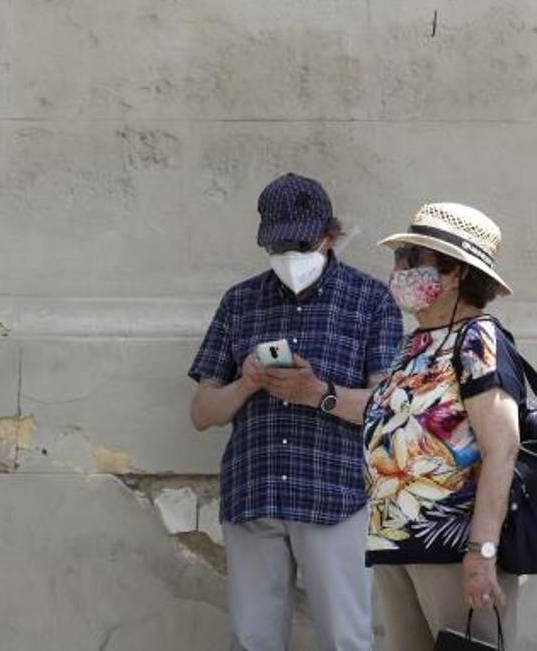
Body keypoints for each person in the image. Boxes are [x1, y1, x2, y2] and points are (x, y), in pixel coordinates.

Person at [188, 173, 403, 650]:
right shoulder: (240, 301)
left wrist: (318, 392)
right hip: (255, 492)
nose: (288, 255)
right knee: (251, 640)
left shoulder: (371, 301)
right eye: (277, 245)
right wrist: (246, 383)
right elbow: (203, 412)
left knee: (346, 639)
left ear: (330, 235)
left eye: (299, 243)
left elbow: (389, 410)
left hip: (336, 494)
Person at [365, 203, 525, 649]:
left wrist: (482, 551)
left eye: (412, 259)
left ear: (455, 273)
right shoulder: (415, 343)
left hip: (454, 550)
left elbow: (502, 447)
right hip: (397, 543)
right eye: (399, 258)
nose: (397, 269)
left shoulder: (478, 338)